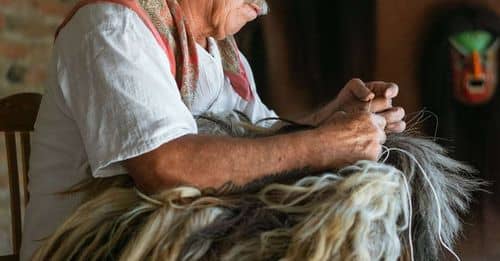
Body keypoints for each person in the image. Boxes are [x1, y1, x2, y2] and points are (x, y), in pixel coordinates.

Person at [20, 0, 406, 259]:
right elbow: (167, 168)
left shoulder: (222, 54)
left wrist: (332, 121)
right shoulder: (112, 25)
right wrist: (323, 144)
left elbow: (261, 140)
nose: (264, 6)